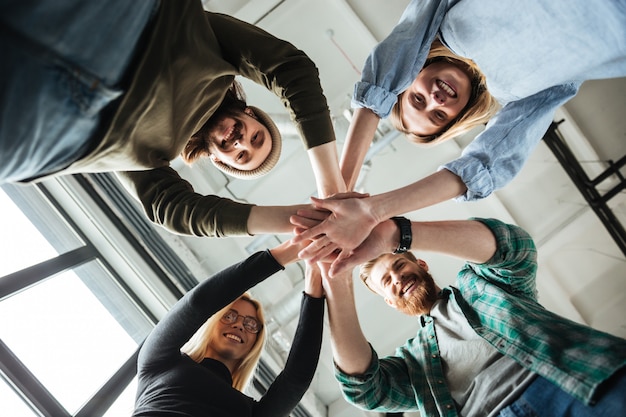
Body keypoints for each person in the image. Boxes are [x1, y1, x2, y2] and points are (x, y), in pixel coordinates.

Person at [292, 0, 626, 260]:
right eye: (439, 115)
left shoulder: (445, 24)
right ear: (458, 118)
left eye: (418, 98)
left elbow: (402, 46)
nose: (435, 100)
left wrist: (335, 195)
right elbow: (486, 164)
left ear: (412, 72)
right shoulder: (519, 95)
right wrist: (372, 210)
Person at [1, 0, 345, 237]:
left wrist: (300, 221)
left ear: (218, 159)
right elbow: (290, 69)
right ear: (250, 113)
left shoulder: (157, 157)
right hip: (129, 27)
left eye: (240, 155)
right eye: (255, 137)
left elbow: (170, 209)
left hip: (54, 133)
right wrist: (331, 189)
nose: (240, 141)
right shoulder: (220, 60)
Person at [319, 217, 626, 416]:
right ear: (388, 301)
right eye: (387, 282)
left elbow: (516, 248)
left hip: (572, 381)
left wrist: (396, 236)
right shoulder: (414, 363)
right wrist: (336, 281)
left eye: (399, 266)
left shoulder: (481, 285)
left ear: (422, 265)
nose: (397, 278)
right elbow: (364, 390)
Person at [133, 238, 325, 416]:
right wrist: (291, 250)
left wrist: (316, 276)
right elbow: (197, 304)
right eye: (229, 316)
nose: (240, 325)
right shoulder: (158, 363)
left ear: (255, 343)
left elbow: (295, 380)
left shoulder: (253, 412)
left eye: (251, 324)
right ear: (211, 322)